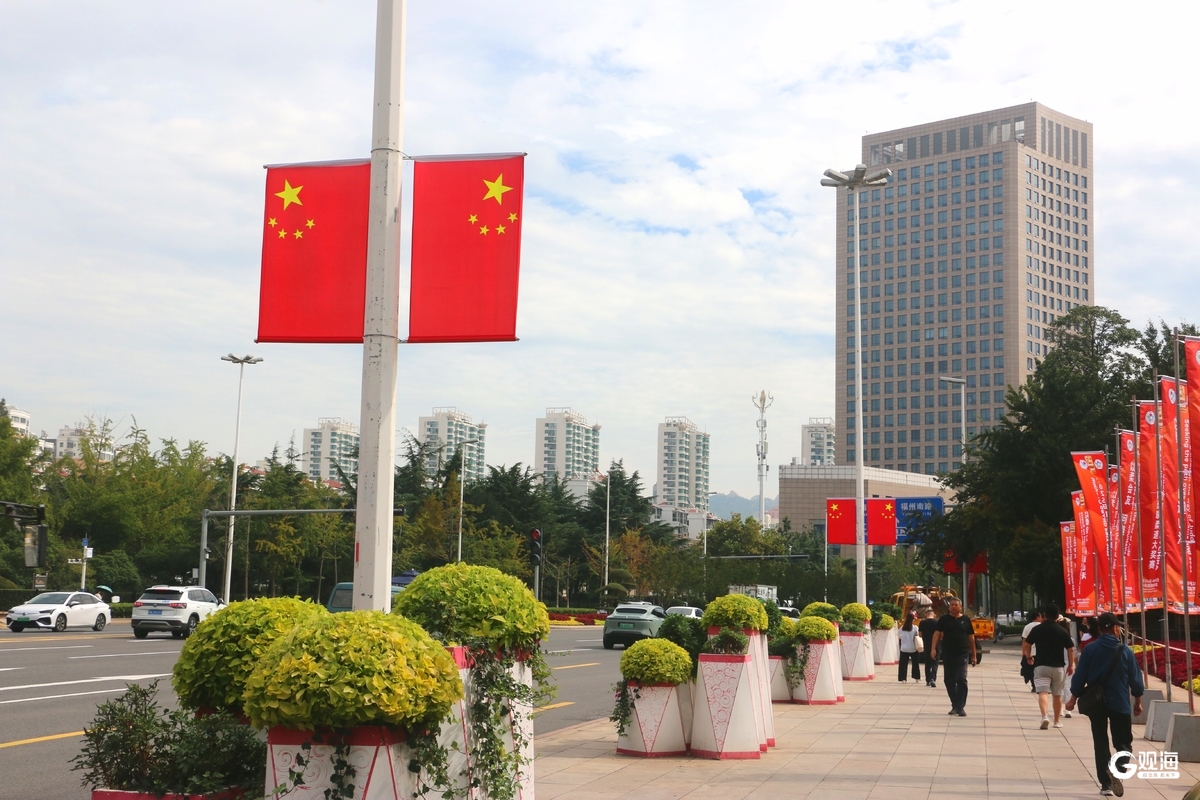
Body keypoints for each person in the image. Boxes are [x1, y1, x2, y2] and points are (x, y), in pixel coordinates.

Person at [1066, 612, 1144, 798]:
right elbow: (1135, 679)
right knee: (1124, 743)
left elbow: (1080, 676)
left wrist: (1072, 699)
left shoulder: (1090, 649)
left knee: (1100, 742)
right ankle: (1117, 768)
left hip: (1097, 703)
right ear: (1116, 629)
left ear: (1099, 629)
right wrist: (1138, 701)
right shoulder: (1125, 651)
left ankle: (1106, 784)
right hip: (1120, 702)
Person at [1023, 603, 1076, 729]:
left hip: (1041, 666)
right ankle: (1057, 721)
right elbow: (1071, 649)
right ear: (1057, 616)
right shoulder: (1062, 631)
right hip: (1058, 668)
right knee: (1057, 695)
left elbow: (1027, 644)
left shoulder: (1037, 629)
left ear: (1044, 615)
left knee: (1043, 692)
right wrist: (1071, 665)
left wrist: (1029, 657)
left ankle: (1044, 717)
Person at [930, 597, 976, 716]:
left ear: (961, 607)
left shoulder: (966, 620)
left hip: (962, 653)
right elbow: (936, 634)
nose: (954, 607)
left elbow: (971, 637)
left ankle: (960, 706)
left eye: (956, 605)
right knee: (948, 680)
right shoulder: (944, 619)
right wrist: (933, 649)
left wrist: (974, 655)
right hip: (948, 653)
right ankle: (955, 705)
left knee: (961, 678)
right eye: (952, 605)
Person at [1021, 609, 1045, 693]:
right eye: (1040, 616)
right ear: (1037, 617)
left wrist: (1023, 652)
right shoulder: (1042, 626)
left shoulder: (1027, 627)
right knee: (1040, 670)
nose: (1041, 618)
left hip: (1030, 652)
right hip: (1040, 652)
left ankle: (1033, 685)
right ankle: (1041, 686)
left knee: (1031, 670)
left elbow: (1024, 641)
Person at [918, 608, 940, 687]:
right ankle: (933, 678)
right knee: (935, 662)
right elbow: (941, 635)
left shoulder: (922, 622)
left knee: (927, 663)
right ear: (933, 614)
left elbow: (920, 634)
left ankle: (927, 680)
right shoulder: (938, 622)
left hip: (926, 645)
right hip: (936, 645)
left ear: (926, 614)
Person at [897, 611, 921, 682]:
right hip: (913, 648)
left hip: (904, 648)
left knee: (903, 664)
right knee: (915, 664)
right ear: (913, 619)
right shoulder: (915, 628)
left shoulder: (902, 628)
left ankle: (903, 678)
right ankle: (916, 677)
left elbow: (899, 636)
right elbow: (918, 636)